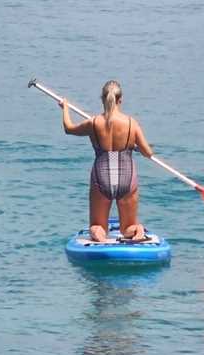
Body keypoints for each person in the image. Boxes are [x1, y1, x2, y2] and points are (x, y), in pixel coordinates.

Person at [60, 80, 154, 242]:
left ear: (102, 99)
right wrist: (134, 146)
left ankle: (100, 238)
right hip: (126, 176)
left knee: (98, 226)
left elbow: (69, 129)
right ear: (120, 100)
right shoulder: (131, 123)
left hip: (101, 177)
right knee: (127, 228)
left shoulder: (94, 122)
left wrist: (66, 108)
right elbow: (148, 153)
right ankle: (137, 231)